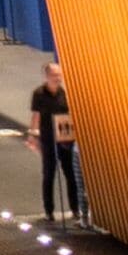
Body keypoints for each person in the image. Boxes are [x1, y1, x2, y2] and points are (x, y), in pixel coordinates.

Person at [28, 62, 89, 224]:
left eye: (59, 75)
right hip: (48, 139)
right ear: (47, 76)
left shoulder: (65, 94)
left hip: (64, 139)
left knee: (71, 174)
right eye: (55, 75)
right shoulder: (39, 94)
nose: (58, 78)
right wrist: (32, 135)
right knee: (49, 174)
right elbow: (36, 115)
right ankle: (49, 211)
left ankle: (75, 208)